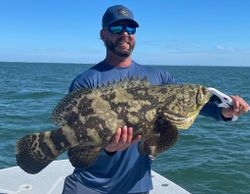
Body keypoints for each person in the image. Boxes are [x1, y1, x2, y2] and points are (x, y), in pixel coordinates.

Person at [62, 5, 249, 194]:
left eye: (131, 29)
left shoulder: (159, 78)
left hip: (136, 185)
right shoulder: (86, 81)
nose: (125, 34)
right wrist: (108, 149)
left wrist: (224, 112)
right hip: (88, 185)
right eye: (117, 28)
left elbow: (191, 105)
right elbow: (77, 146)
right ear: (103, 35)